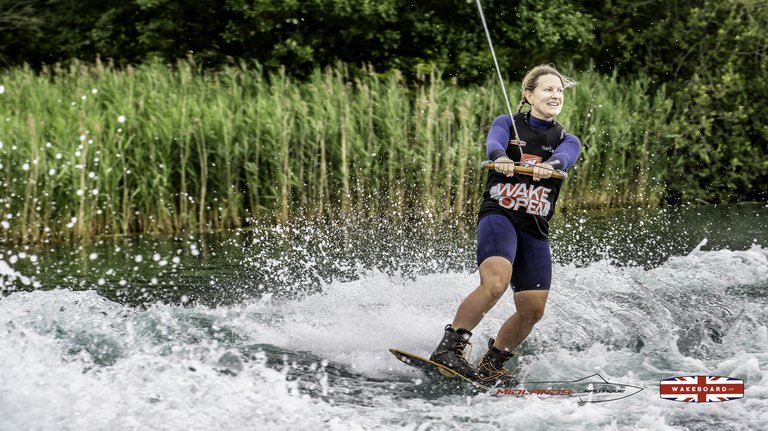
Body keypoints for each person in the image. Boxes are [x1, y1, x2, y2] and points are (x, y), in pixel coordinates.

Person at [430, 64, 582, 385]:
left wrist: (550, 166)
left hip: (535, 228)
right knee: (496, 282)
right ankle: (449, 348)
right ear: (529, 95)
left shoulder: (567, 139)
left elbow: (565, 158)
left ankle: (491, 363)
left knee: (533, 309)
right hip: (500, 215)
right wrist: (500, 157)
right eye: (548, 89)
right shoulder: (507, 123)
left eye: (559, 91)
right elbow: (494, 143)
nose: (555, 95)